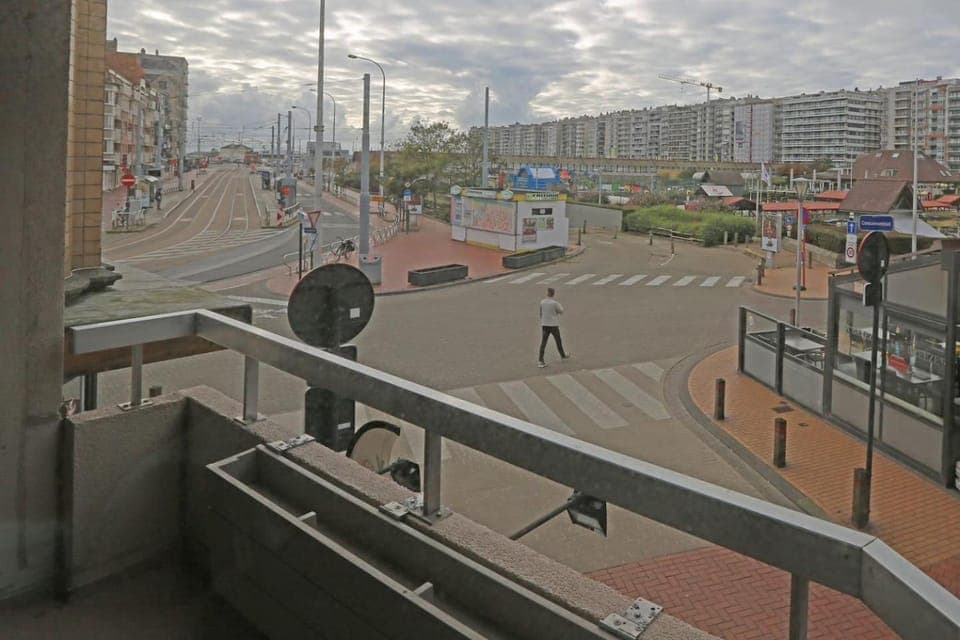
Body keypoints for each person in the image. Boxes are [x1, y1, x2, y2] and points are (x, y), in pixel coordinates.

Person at [538, 288, 569, 368]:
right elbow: (561, 311)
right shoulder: (555, 303)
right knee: (558, 340)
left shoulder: (542, 302)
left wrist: (543, 320)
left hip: (544, 325)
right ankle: (562, 355)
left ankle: (540, 360)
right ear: (553, 294)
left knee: (543, 342)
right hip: (553, 325)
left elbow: (540, 313)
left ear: (547, 293)